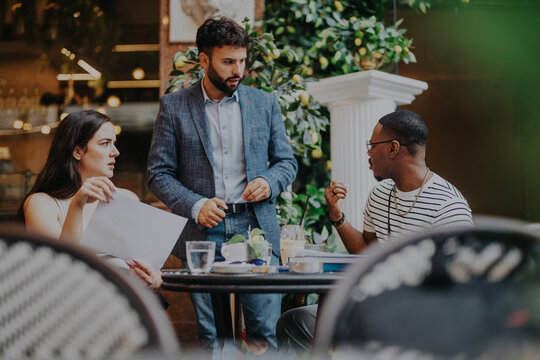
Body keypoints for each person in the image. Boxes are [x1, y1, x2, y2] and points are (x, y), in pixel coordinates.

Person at [147, 17, 298, 353]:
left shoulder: (264, 103)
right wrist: (196, 205)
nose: (238, 71)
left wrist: (268, 181)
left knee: (263, 333)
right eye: (228, 61)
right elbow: (158, 173)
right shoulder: (173, 106)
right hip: (203, 233)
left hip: (255, 228)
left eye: (242, 61)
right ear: (204, 60)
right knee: (212, 338)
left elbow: (287, 163)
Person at [276, 109, 473, 353]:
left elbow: (458, 285)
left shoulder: (448, 205)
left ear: (392, 148)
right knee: (295, 321)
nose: (368, 153)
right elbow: (365, 250)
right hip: (378, 304)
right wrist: (336, 216)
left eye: (372, 145)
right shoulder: (379, 195)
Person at [21, 110, 162, 289]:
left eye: (114, 144)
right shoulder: (42, 203)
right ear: (77, 151)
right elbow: (59, 268)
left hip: (127, 302)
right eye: (105, 144)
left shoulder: (126, 198)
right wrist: (77, 205)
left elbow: (155, 272)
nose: (115, 152)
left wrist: (152, 280)